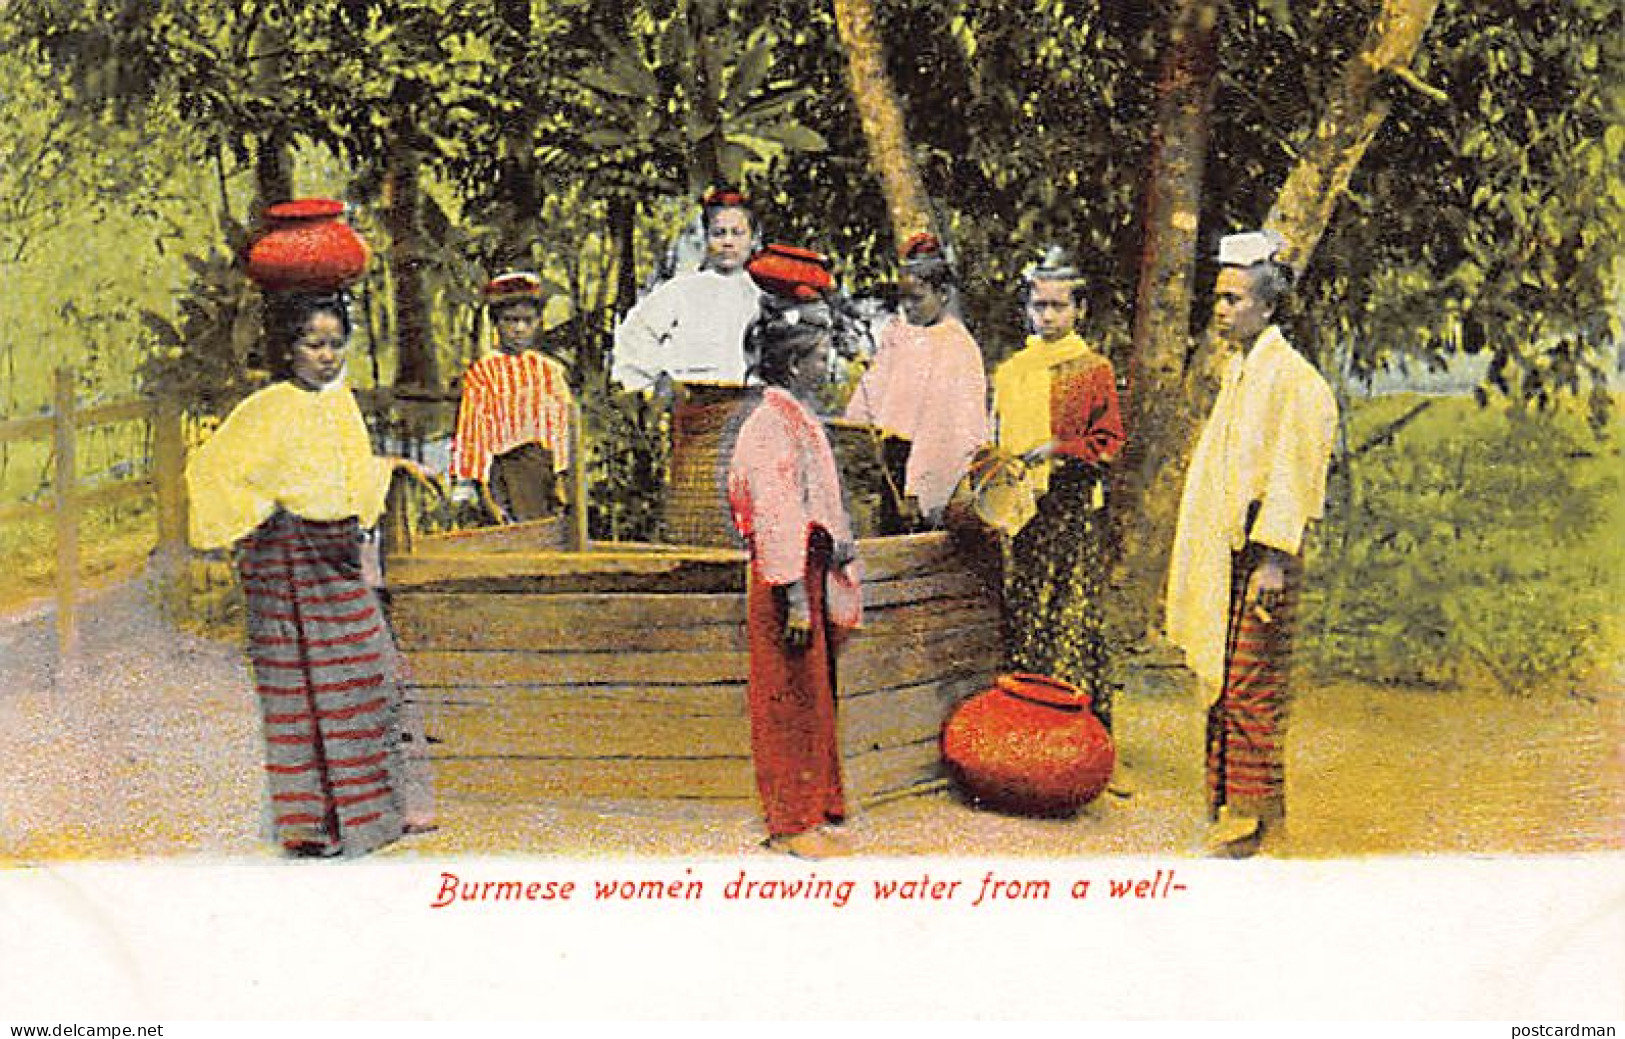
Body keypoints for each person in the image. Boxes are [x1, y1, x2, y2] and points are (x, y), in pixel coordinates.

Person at [186, 289, 438, 858]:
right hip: (280, 562)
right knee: (295, 687)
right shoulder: (265, 408)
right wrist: (263, 511)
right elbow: (211, 470)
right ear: (288, 348)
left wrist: (393, 467)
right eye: (312, 344)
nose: (325, 356)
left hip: (333, 559)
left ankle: (373, 816)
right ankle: (311, 827)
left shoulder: (340, 403)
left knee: (367, 673)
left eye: (334, 344)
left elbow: (348, 476)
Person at [1165, 230, 1339, 857]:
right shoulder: (1242, 373)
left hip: (1269, 557)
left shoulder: (1296, 382)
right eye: (1217, 297)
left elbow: (1292, 476)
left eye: (1233, 299)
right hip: (1233, 551)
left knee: (1251, 683)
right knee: (1229, 677)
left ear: (1266, 308)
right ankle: (1241, 806)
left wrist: (1272, 560)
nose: (1220, 309)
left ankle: (1248, 814)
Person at [726, 248, 862, 860]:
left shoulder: (798, 417)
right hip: (785, 579)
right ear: (791, 362)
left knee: (812, 695)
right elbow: (777, 514)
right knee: (785, 699)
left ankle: (818, 804)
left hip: (808, 566)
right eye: (815, 353)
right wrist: (797, 598)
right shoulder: (769, 426)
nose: (824, 361)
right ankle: (789, 822)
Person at [991, 251, 1127, 783]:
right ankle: (1023, 739)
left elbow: (1109, 441)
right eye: (1038, 305)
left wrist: (1059, 449)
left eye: (1057, 306)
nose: (1046, 316)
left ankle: (1082, 748)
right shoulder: (1012, 370)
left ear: (1079, 310)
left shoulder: (1092, 369)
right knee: (1023, 612)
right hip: (1017, 512)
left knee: (1069, 615)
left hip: (1067, 508)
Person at [843, 232, 989, 529]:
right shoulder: (899, 335)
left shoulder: (956, 346)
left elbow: (944, 430)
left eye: (918, 299)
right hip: (890, 462)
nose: (908, 307)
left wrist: (919, 489)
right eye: (903, 299)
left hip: (931, 468)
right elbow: (871, 393)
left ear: (944, 294)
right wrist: (855, 433)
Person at [447, 271, 575, 523]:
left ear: (539, 322)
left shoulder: (549, 371)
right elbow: (474, 434)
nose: (519, 329)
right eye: (510, 320)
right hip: (503, 472)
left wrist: (561, 477)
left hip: (544, 471)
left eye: (528, 321)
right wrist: (484, 491)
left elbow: (560, 429)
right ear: (496, 323)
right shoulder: (484, 372)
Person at [611, 188, 762, 393]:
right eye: (718, 233)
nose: (728, 242)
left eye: (737, 233)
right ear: (706, 237)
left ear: (753, 238)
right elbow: (637, 333)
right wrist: (654, 384)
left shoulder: (762, 295)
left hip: (748, 401)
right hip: (693, 402)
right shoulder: (681, 290)